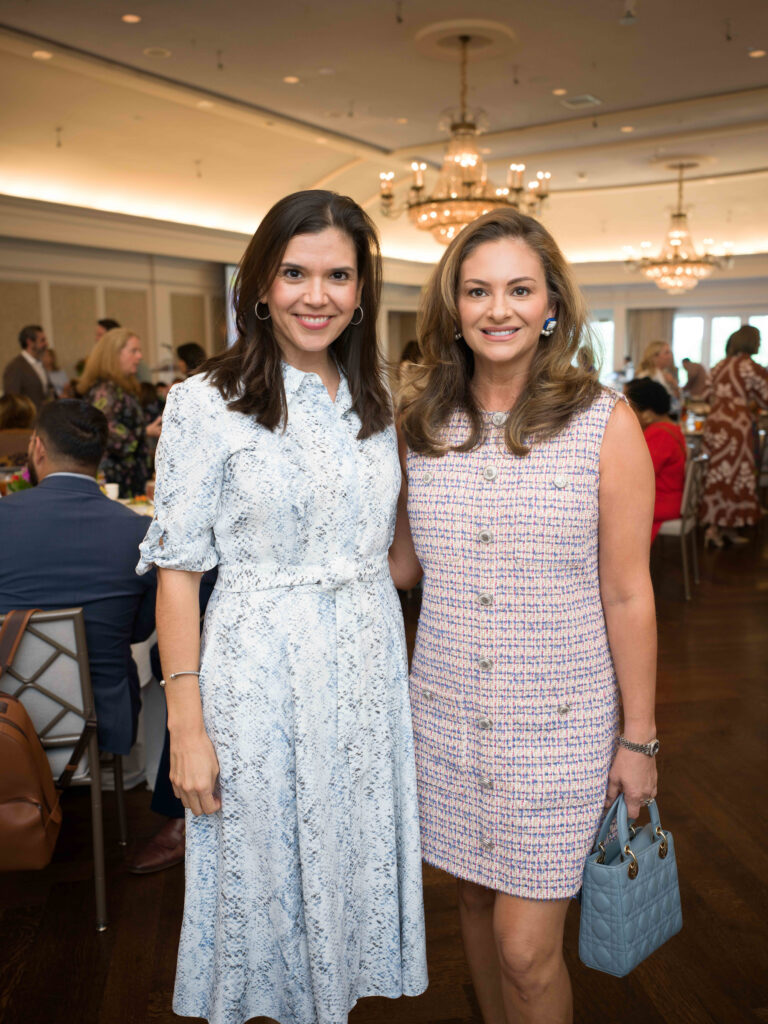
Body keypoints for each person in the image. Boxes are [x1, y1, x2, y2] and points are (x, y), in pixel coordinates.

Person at [136, 189, 427, 1024]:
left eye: (338, 274)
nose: (316, 294)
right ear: (260, 282)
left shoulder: (378, 406)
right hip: (257, 676)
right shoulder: (204, 402)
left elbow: (401, 562)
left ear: (363, 290)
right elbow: (179, 573)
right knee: (262, 878)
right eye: (295, 272)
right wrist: (186, 727)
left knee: (344, 868)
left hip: (369, 671)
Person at [391, 208, 657, 1024]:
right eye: (477, 291)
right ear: (454, 307)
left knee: (525, 948)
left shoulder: (604, 424)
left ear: (551, 305)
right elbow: (399, 566)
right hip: (443, 718)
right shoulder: (421, 426)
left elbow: (628, 593)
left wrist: (638, 739)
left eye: (518, 289)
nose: (497, 309)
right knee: (472, 907)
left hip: (561, 726)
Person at [0, 400, 156, 756]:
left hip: (6, 715)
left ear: (37, 446)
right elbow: (139, 628)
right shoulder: (138, 532)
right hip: (100, 723)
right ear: (100, 455)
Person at [699, 325, 768, 548]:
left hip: (715, 424)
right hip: (737, 427)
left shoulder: (719, 365)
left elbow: (706, 395)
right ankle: (726, 525)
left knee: (716, 474)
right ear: (751, 342)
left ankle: (716, 527)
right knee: (738, 475)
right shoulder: (751, 368)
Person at [77, 327, 162, 497]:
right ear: (114, 355)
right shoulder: (105, 390)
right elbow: (107, 431)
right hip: (113, 479)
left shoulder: (119, 387)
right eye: (134, 351)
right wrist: (144, 432)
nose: (140, 356)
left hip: (126, 477)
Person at [626, 377, 687, 541]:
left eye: (630, 408)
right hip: (672, 499)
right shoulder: (671, 428)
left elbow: (639, 476)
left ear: (647, 413)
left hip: (663, 503)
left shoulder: (659, 434)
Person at [2, 324, 53, 409]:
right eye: (42, 340)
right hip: (28, 420)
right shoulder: (14, 367)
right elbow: (12, 402)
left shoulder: (40, 363)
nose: (46, 344)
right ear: (30, 342)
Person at [637, 339, 681, 416]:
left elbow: (675, 401)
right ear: (655, 356)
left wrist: (674, 384)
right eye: (666, 353)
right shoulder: (646, 377)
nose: (670, 356)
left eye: (670, 352)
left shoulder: (664, 374)